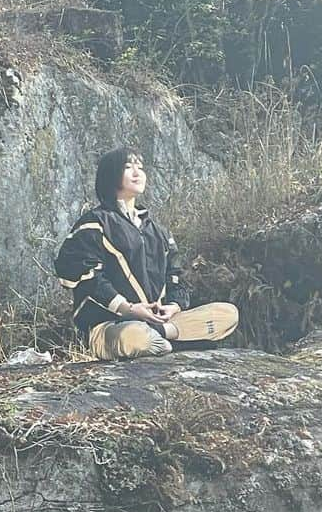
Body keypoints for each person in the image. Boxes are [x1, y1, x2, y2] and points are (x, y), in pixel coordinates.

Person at [55, 146, 238, 359]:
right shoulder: (93, 224)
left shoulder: (158, 231)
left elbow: (176, 276)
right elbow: (84, 278)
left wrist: (173, 307)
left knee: (228, 314)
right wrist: (129, 309)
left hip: (159, 322)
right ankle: (171, 339)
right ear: (110, 174)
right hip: (110, 326)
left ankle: (162, 336)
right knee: (134, 337)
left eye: (140, 167)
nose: (137, 173)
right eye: (128, 167)